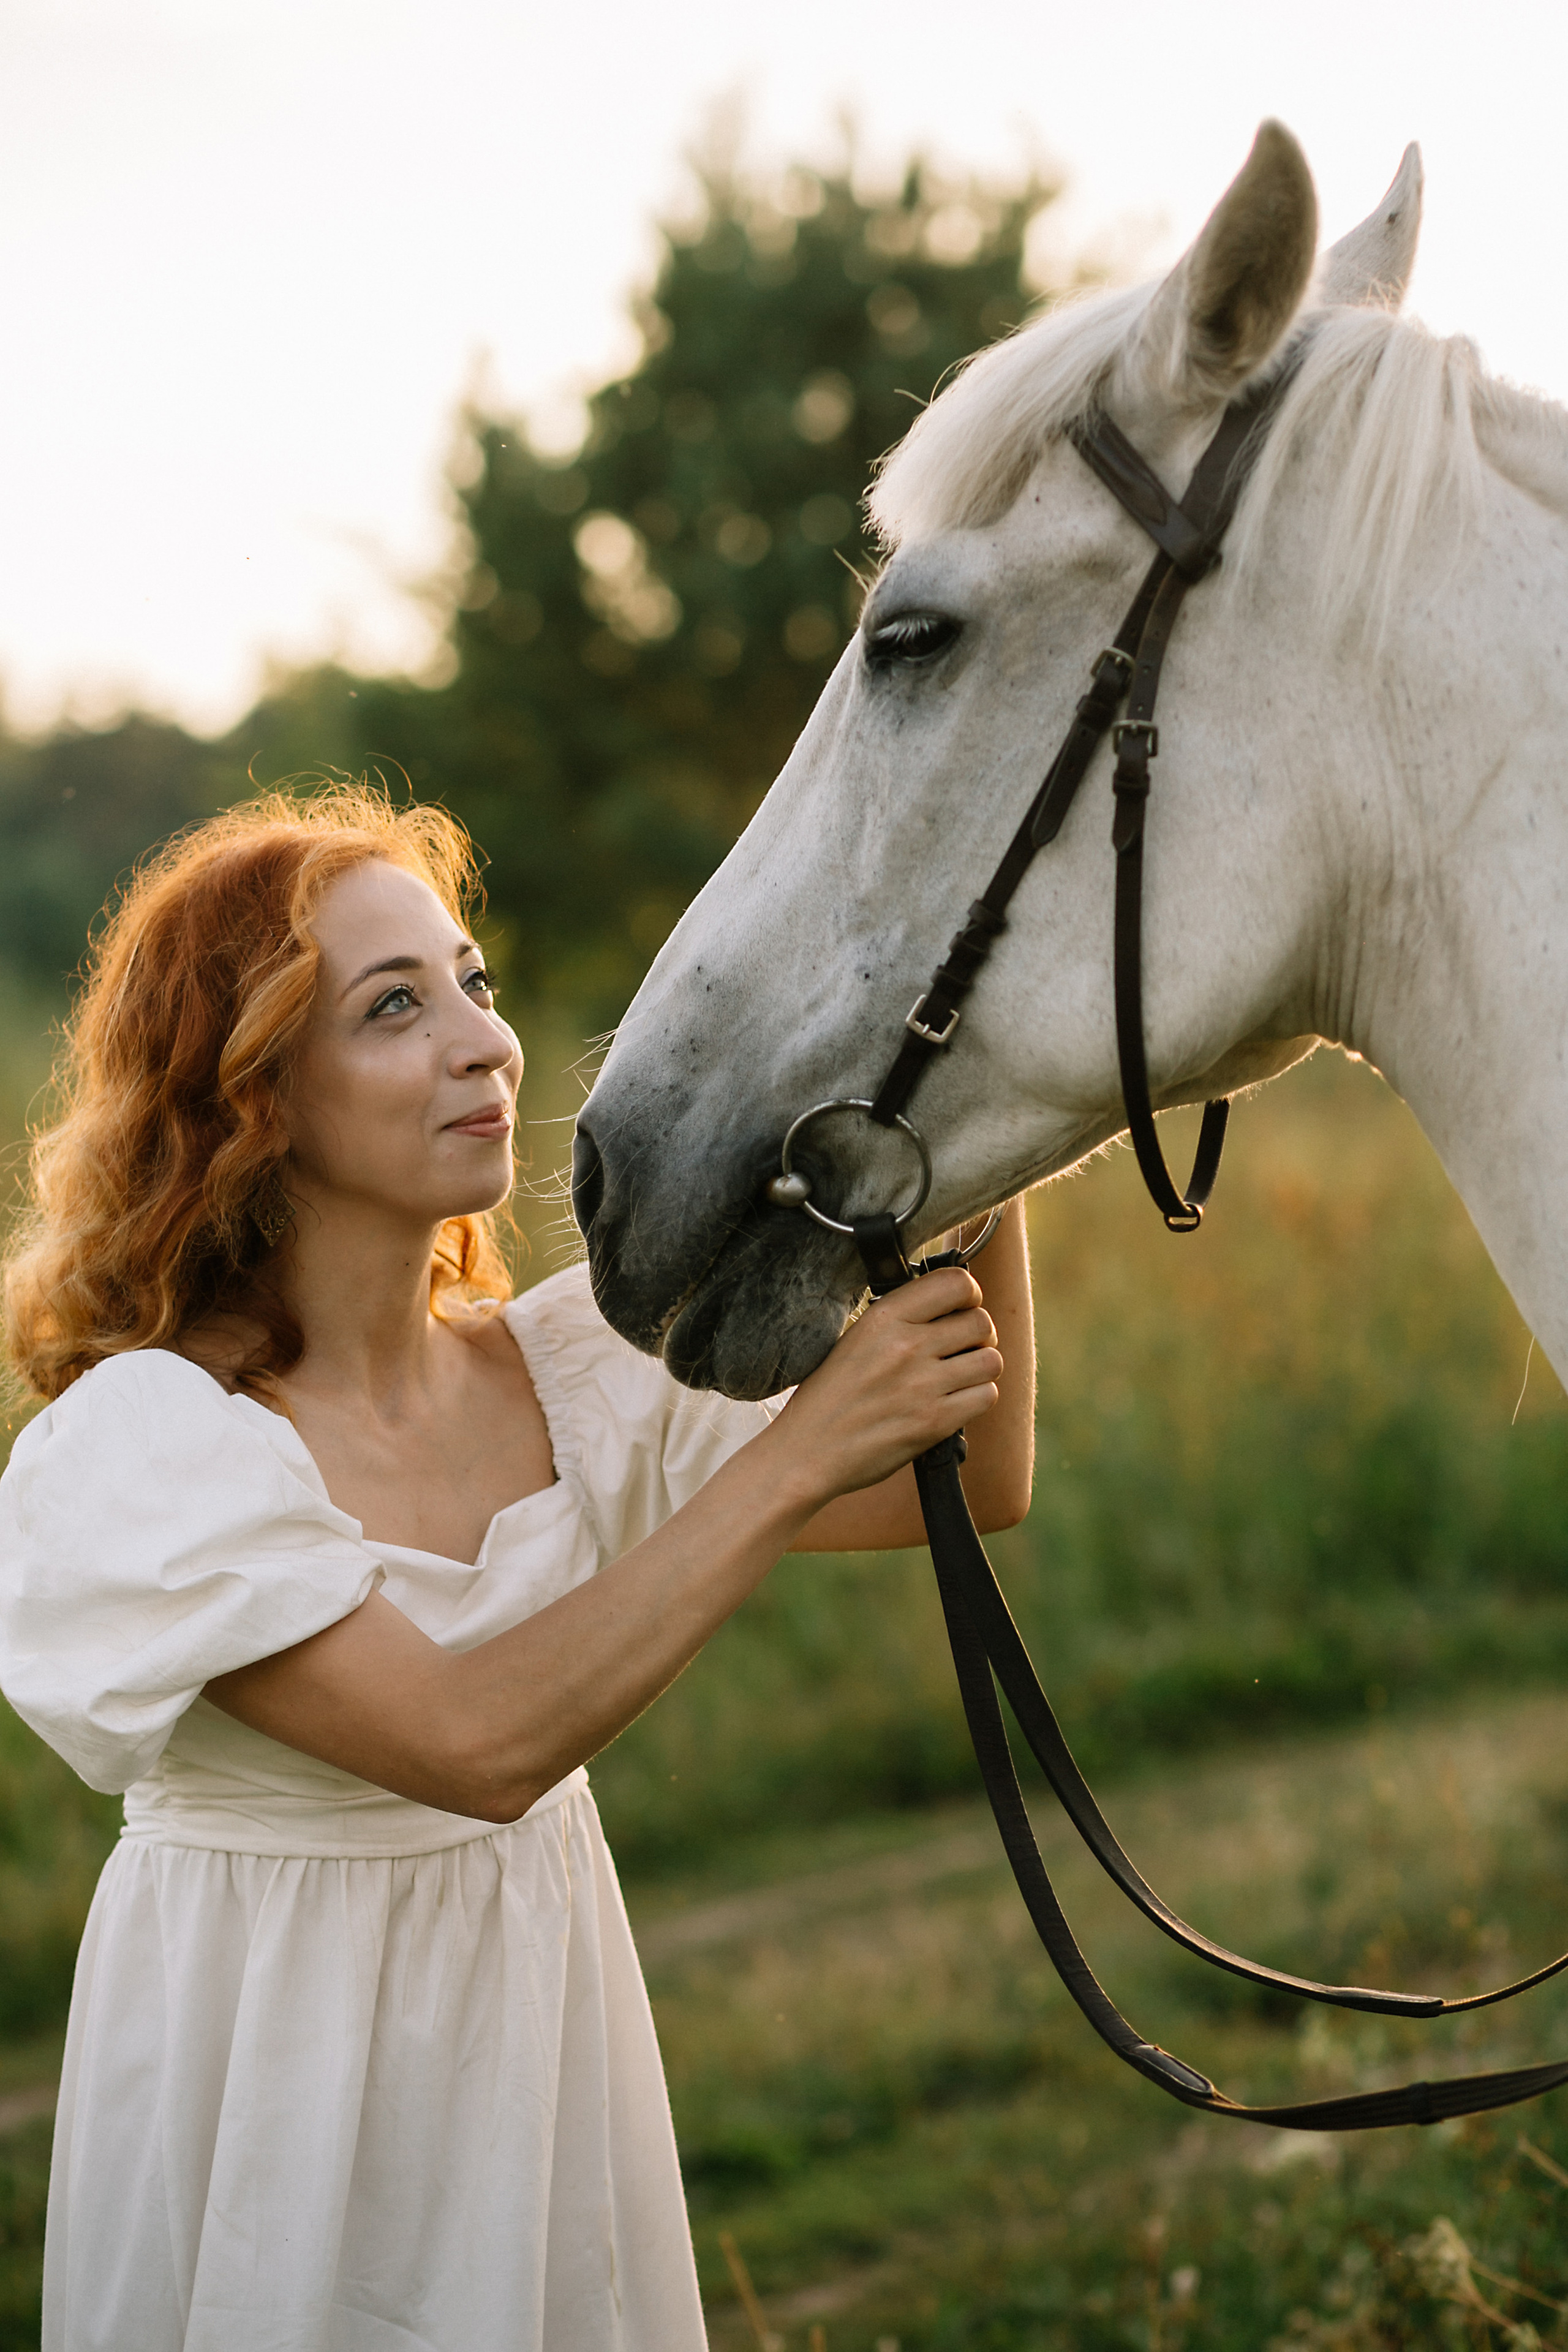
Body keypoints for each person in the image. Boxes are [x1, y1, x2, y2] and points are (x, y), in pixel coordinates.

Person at [0, 786, 1035, 2352]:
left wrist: (983, 1107)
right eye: (393, 1007)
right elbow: (471, 1747)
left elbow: (977, 1478)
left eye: (473, 985)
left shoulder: (562, 1369)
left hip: (536, 2063)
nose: (484, 1042)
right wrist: (793, 1450)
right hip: (272, 2087)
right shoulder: (147, 1448)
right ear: (248, 1097)